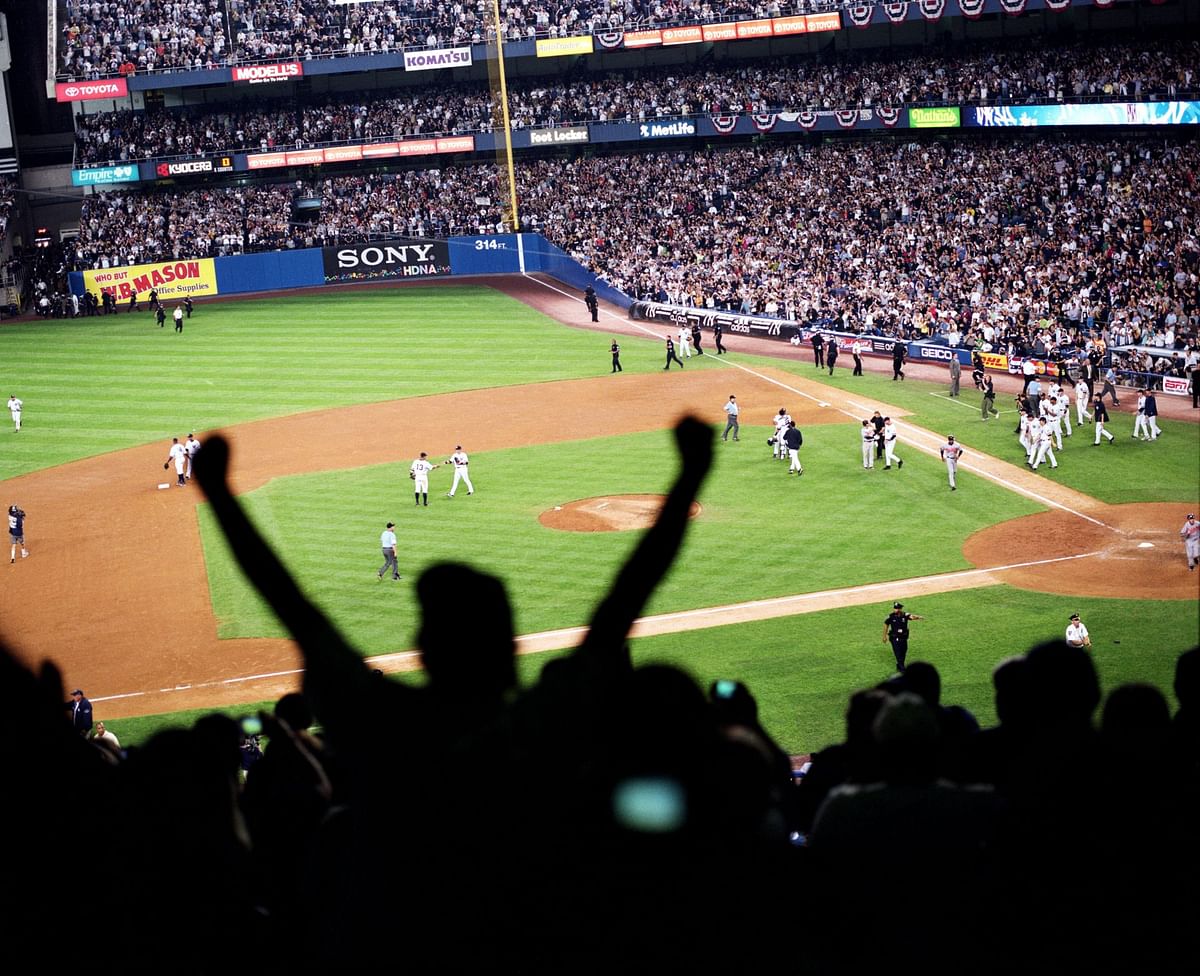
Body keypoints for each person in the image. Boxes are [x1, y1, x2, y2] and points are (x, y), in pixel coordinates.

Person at [882, 602, 924, 672]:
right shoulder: (890, 616)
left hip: (903, 638)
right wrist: (884, 636)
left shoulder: (905, 615)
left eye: (897, 609)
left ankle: (899, 665)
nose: (896, 610)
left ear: (900, 609)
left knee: (904, 651)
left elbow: (912, 617)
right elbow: (886, 625)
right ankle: (902, 668)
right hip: (894, 638)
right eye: (895, 608)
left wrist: (918, 617)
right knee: (898, 653)